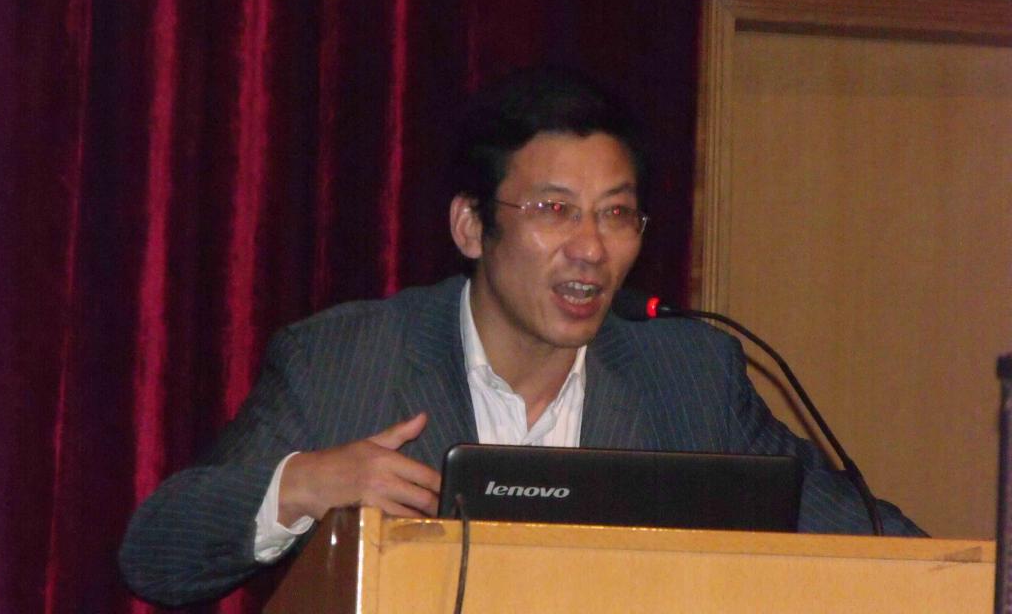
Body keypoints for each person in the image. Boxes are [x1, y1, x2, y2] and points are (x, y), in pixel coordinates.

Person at [120, 67, 923, 607]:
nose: (591, 247)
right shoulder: (347, 361)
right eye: (553, 210)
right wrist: (302, 486)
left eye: (616, 214)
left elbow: (868, 540)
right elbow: (155, 555)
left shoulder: (689, 373)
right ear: (472, 226)